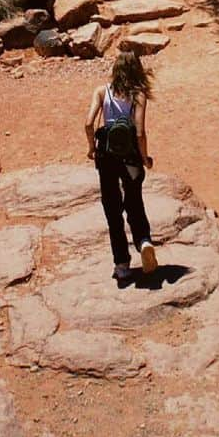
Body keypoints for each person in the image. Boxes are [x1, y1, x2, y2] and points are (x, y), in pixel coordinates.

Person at [85, 51, 159, 282]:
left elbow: (88, 124)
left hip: (106, 157)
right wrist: (145, 157)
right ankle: (143, 241)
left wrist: (91, 148)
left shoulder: (101, 91)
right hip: (130, 158)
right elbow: (139, 132)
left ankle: (122, 264)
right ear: (137, 70)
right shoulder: (138, 95)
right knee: (134, 201)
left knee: (112, 208)